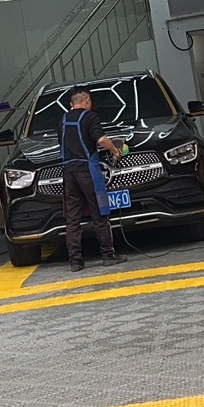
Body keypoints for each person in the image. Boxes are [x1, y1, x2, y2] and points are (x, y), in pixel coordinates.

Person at [58, 87, 126, 272]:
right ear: (87, 101)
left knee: (72, 218)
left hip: (69, 173)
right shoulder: (90, 117)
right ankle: (108, 255)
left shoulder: (62, 121)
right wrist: (114, 150)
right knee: (100, 214)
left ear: (72, 104)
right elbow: (102, 140)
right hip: (88, 172)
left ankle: (75, 261)